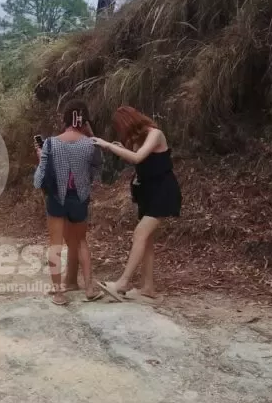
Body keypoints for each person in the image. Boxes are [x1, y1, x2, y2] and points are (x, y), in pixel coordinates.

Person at [92, 106, 182, 299]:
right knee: (147, 240)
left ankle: (123, 282)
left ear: (129, 122)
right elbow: (138, 161)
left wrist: (108, 145)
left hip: (163, 191)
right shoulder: (137, 140)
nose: (122, 132)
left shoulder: (155, 134)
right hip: (147, 193)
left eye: (121, 127)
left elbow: (138, 157)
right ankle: (148, 288)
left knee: (140, 233)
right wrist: (122, 148)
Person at [33, 100, 104, 304]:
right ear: (84, 120)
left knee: (55, 244)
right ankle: (89, 288)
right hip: (79, 198)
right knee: (81, 241)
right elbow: (98, 169)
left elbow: (39, 179)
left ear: (65, 119)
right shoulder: (90, 144)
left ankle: (59, 293)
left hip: (56, 198)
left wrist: (41, 157)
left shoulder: (51, 143)